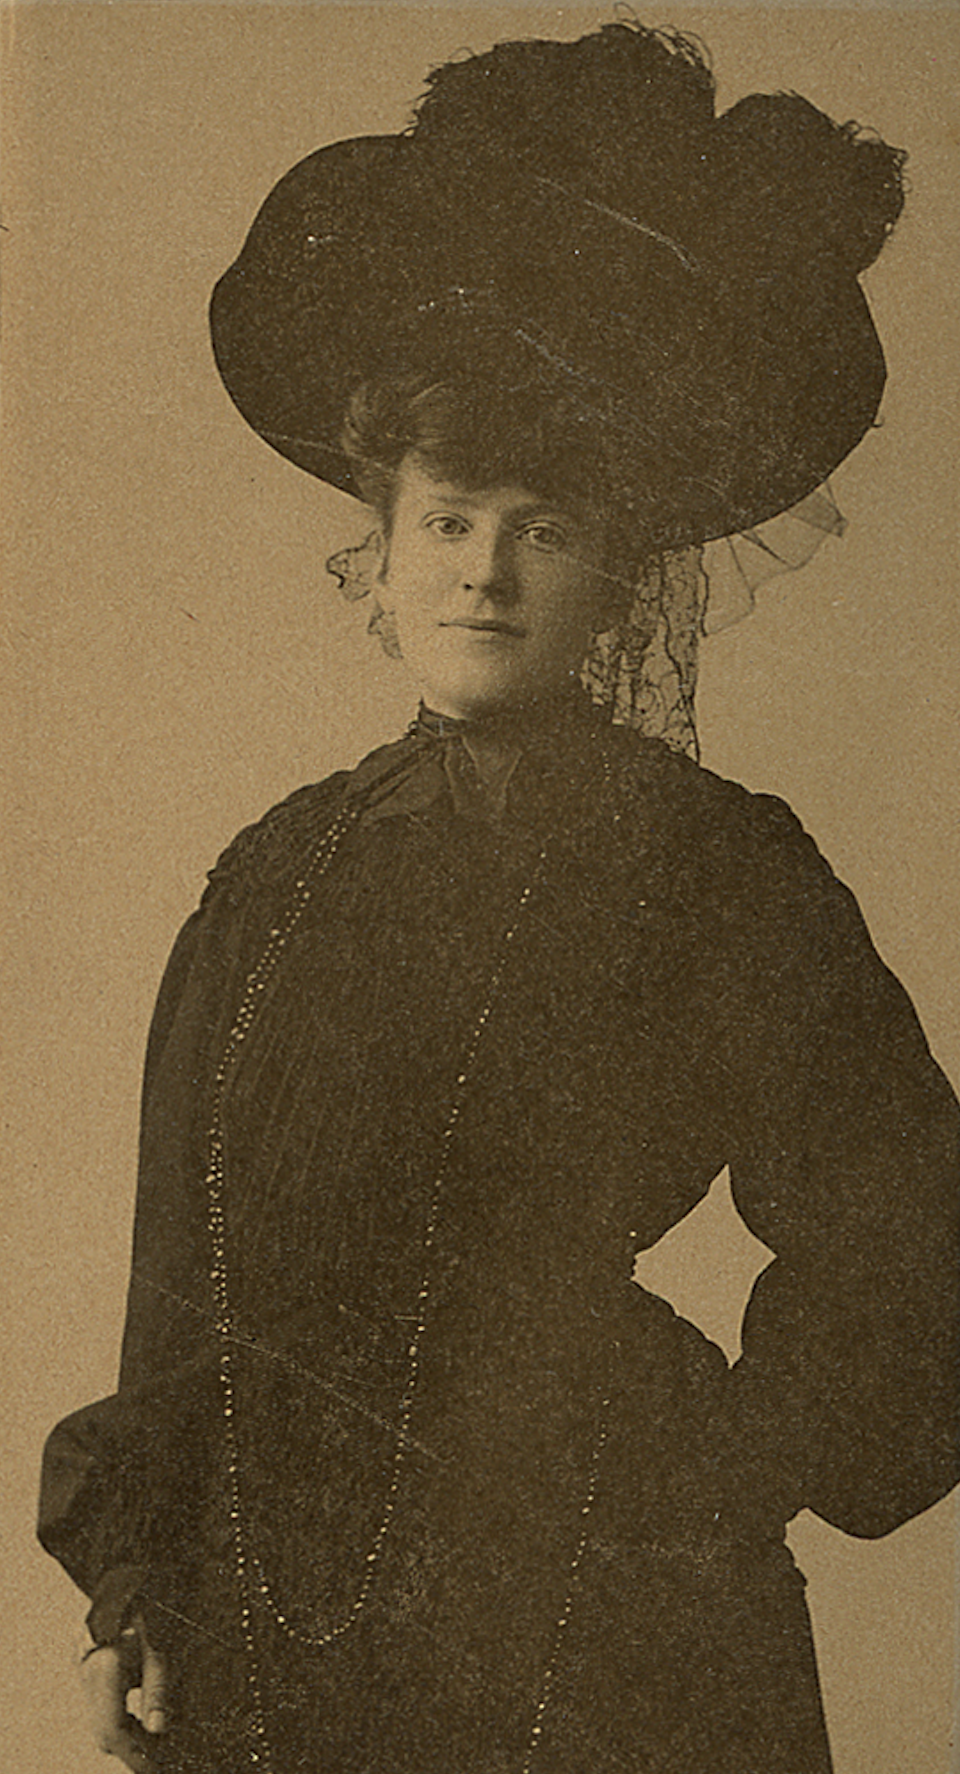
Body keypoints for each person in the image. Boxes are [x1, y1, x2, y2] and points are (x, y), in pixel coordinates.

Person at [37, 22, 959, 1774]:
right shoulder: (277, 878)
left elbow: (912, 1219)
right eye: (451, 517)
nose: (485, 568)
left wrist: (741, 1452)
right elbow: (190, 1272)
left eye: (544, 524)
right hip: (285, 1625)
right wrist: (135, 1591)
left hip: (615, 1633)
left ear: (618, 577)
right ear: (380, 554)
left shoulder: (724, 872)